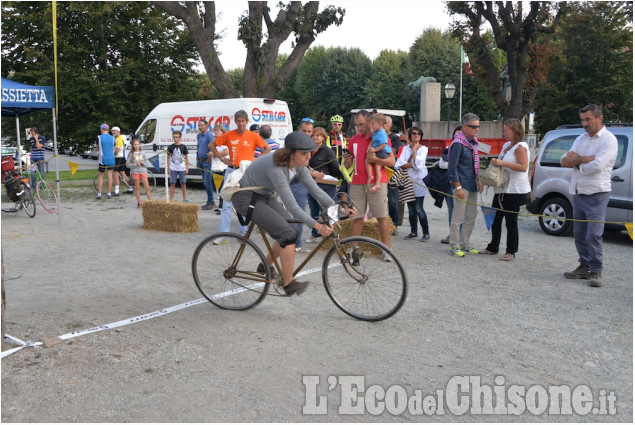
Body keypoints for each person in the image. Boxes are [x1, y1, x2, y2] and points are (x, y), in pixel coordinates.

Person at [232, 131, 353, 296]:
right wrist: (317, 226)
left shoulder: (299, 165)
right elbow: (293, 206)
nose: (308, 156)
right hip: (245, 197)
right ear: (291, 153)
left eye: (309, 152)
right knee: (287, 234)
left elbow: (316, 191)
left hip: (262, 195)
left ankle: (265, 266)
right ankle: (288, 284)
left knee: (293, 231)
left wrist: (339, 208)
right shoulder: (276, 169)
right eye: (304, 153)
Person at [561, 104, 618, 287]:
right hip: (578, 191)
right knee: (579, 233)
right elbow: (564, 160)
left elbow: (598, 166)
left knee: (593, 233)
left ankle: (596, 270)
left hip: (597, 193)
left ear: (599, 118)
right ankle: (584, 266)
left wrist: (576, 161)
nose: (584, 123)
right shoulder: (581, 139)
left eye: (588, 119)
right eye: (582, 120)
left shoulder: (609, 140)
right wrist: (584, 159)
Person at [210, 110, 271, 243]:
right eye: (238, 121)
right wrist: (221, 158)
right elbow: (212, 145)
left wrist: (256, 161)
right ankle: (223, 234)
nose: (241, 124)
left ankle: (244, 235)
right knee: (226, 203)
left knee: (246, 203)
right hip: (231, 171)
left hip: (246, 173)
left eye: (243, 121)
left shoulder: (253, 136)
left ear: (247, 122)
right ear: (235, 122)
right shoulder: (229, 135)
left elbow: (267, 148)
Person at [342, 110, 395, 260]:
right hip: (357, 182)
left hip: (377, 182)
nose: (359, 128)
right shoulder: (354, 139)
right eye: (357, 125)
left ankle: (386, 250)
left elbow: (392, 162)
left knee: (381, 216)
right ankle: (355, 249)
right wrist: (347, 159)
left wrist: (374, 159)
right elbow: (348, 165)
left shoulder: (379, 136)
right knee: (357, 216)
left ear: (370, 122)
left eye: (362, 124)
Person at [478, 118, 530, 261]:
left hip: (514, 189)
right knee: (495, 218)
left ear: (514, 130)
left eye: (506, 130)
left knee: (510, 221)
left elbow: (523, 167)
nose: (504, 132)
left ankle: (511, 251)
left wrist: (501, 162)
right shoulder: (507, 145)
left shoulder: (520, 147)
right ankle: (493, 247)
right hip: (502, 189)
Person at [447, 113, 483, 257]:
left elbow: (475, 165)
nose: (477, 129)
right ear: (464, 126)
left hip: (472, 183)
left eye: (478, 126)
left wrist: (479, 180)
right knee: (458, 217)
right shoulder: (458, 144)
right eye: (473, 126)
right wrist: (458, 187)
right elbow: (452, 167)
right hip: (462, 184)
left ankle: (465, 243)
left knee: (471, 216)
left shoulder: (473, 143)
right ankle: (454, 245)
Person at [305, 127, 343, 243]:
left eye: (318, 135)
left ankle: (334, 234)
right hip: (311, 183)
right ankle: (315, 233)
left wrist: (331, 178)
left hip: (326, 184)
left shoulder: (328, 151)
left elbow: (335, 168)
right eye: (314, 135)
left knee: (330, 209)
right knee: (313, 209)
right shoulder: (308, 150)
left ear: (323, 138)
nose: (315, 137)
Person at [396, 126, 430, 241]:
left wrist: (414, 152)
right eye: (414, 133)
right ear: (410, 135)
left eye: (419, 134)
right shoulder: (405, 149)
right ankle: (413, 231)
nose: (416, 135)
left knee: (419, 209)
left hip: (419, 182)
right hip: (408, 182)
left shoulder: (424, 149)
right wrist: (413, 163)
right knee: (411, 210)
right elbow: (399, 163)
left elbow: (419, 165)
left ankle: (426, 232)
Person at [290, 118, 315, 251]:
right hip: (294, 182)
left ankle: (294, 241)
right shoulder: (294, 142)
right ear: (299, 129)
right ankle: (296, 243)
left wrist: (311, 171)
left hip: (302, 181)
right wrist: (313, 174)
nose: (306, 133)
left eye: (309, 131)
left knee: (299, 213)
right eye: (304, 130)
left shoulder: (309, 143)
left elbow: (305, 165)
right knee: (298, 213)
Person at [440, 126, 463, 244]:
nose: (458, 137)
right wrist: (454, 165)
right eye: (456, 134)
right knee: (451, 210)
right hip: (450, 184)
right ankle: (452, 235)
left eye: (460, 134)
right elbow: (442, 164)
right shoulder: (449, 148)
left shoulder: (468, 148)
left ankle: (461, 237)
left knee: (461, 211)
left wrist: (453, 164)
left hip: (463, 185)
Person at [384, 115, 402, 231]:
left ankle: (394, 224)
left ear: (391, 125)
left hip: (389, 170)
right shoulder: (376, 135)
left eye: (386, 123)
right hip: (379, 168)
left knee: (392, 200)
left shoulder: (394, 137)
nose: (384, 124)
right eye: (382, 122)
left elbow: (393, 151)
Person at [366, 113, 392, 193]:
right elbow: (373, 141)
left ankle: (377, 183)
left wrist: (375, 150)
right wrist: (368, 148)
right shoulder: (375, 131)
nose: (372, 125)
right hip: (377, 149)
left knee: (377, 167)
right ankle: (370, 176)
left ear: (380, 123)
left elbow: (383, 144)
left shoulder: (382, 133)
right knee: (368, 161)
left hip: (382, 151)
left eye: (373, 123)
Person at [127, 138, 153, 207]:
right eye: (135, 144)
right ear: (132, 145)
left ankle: (151, 201)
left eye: (138, 144)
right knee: (137, 188)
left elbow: (147, 164)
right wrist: (135, 164)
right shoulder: (131, 154)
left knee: (147, 187)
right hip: (135, 172)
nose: (136, 146)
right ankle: (139, 202)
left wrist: (143, 163)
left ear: (140, 145)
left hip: (143, 172)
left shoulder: (143, 153)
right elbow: (127, 165)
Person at [196, 119, 215, 210]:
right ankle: (209, 201)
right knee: (205, 182)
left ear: (206, 126)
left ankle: (210, 202)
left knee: (207, 183)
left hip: (207, 162)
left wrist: (208, 159)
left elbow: (213, 148)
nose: (200, 127)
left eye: (201, 125)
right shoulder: (199, 135)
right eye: (199, 126)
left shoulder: (209, 136)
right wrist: (197, 156)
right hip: (200, 161)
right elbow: (199, 147)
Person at [166, 130, 189, 202]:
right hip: (173, 168)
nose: (175, 139)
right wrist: (168, 168)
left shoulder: (183, 147)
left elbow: (186, 158)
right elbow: (168, 158)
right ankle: (171, 199)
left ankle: (185, 198)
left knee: (183, 183)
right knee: (172, 183)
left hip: (182, 168)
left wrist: (187, 167)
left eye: (177, 137)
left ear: (180, 137)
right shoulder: (170, 147)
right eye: (174, 137)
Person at [212, 124, 229, 214]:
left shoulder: (224, 141)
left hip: (223, 167)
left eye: (218, 130)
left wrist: (215, 153)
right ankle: (220, 205)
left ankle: (222, 207)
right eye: (215, 130)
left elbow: (226, 152)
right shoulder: (216, 141)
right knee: (217, 187)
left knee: (222, 188)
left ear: (222, 131)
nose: (216, 132)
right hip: (216, 167)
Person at [111, 126, 133, 196]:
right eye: (112, 131)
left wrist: (111, 154)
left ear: (118, 132)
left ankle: (116, 191)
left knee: (115, 174)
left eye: (114, 131)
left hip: (118, 158)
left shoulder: (119, 139)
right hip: (122, 158)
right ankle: (130, 188)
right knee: (123, 174)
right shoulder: (118, 138)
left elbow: (116, 151)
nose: (113, 132)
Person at [95, 123, 115, 199]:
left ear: (102, 129)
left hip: (102, 159)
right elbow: (113, 148)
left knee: (101, 175)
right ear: (108, 130)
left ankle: (99, 193)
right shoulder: (113, 138)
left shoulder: (99, 137)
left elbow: (97, 148)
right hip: (111, 158)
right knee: (110, 175)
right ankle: (109, 193)